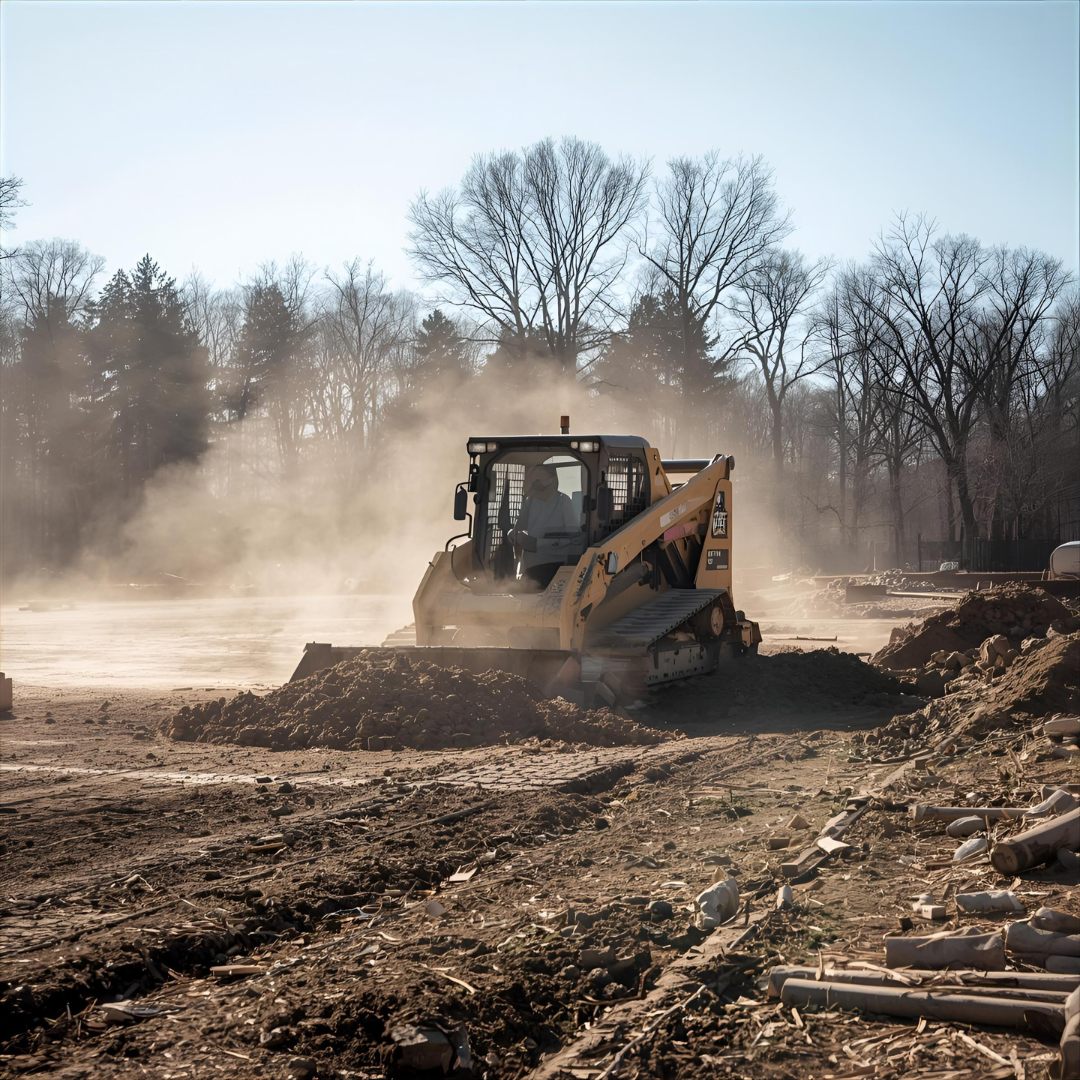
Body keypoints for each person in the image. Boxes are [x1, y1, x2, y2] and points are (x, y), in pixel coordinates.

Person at [509, 463, 580, 588]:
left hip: (555, 565)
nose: (536, 483)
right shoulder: (530, 501)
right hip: (529, 566)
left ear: (552, 480)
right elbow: (518, 527)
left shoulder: (563, 501)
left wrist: (537, 544)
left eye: (539, 479)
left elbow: (573, 538)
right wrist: (513, 536)